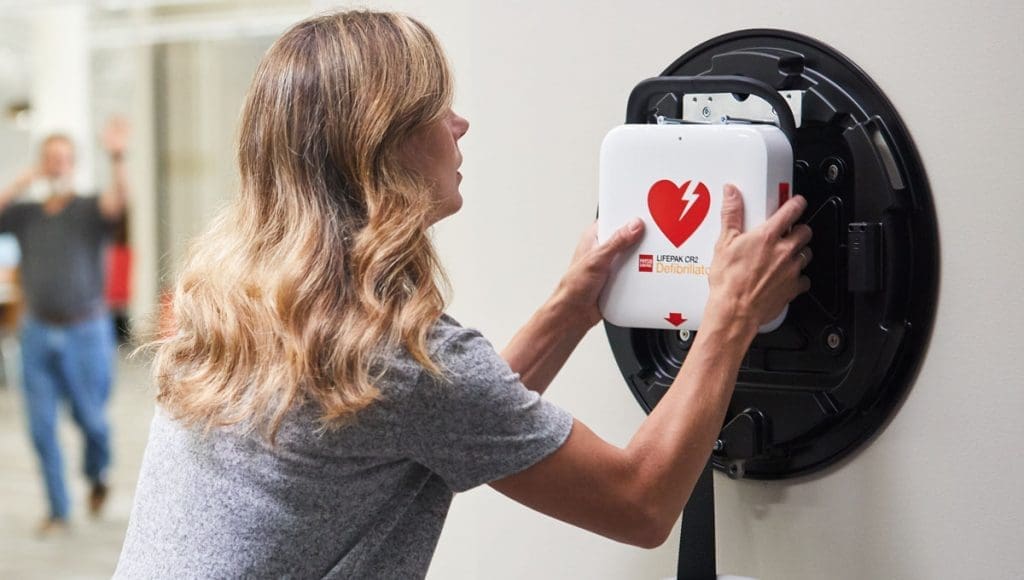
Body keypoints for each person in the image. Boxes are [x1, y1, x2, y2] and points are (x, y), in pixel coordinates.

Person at [115, 11, 811, 578]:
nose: (460, 124)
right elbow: (640, 504)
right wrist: (731, 315)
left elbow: (448, 417)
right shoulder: (389, 355)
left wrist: (572, 304)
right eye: (436, 108)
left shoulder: (240, 301)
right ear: (382, 144)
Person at [0, 119, 130, 534]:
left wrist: (117, 157)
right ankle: (58, 510)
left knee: (92, 420)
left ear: (74, 164)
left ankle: (97, 474)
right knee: (41, 427)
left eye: (63, 159)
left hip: (85, 331)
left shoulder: (88, 208)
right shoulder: (26, 214)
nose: (57, 165)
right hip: (37, 331)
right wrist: (24, 179)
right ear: (43, 163)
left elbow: (118, 203)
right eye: (50, 159)